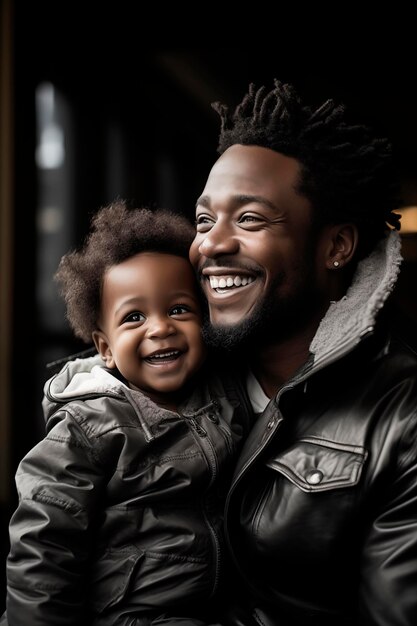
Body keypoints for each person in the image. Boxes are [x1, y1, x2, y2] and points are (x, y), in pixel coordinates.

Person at [189, 79, 417, 626]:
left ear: (335, 247)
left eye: (249, 219)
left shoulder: (402, 417)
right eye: (203, 219)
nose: (212, 244)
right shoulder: (164, 377)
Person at [2, 200, 251, 626]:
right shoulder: (88, 426)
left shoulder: (224, 393)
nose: (160, 328)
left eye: (178, 309)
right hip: (128, 614)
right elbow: (44, 543)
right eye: (134, 317)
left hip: (220, 605)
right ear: (105, 348)